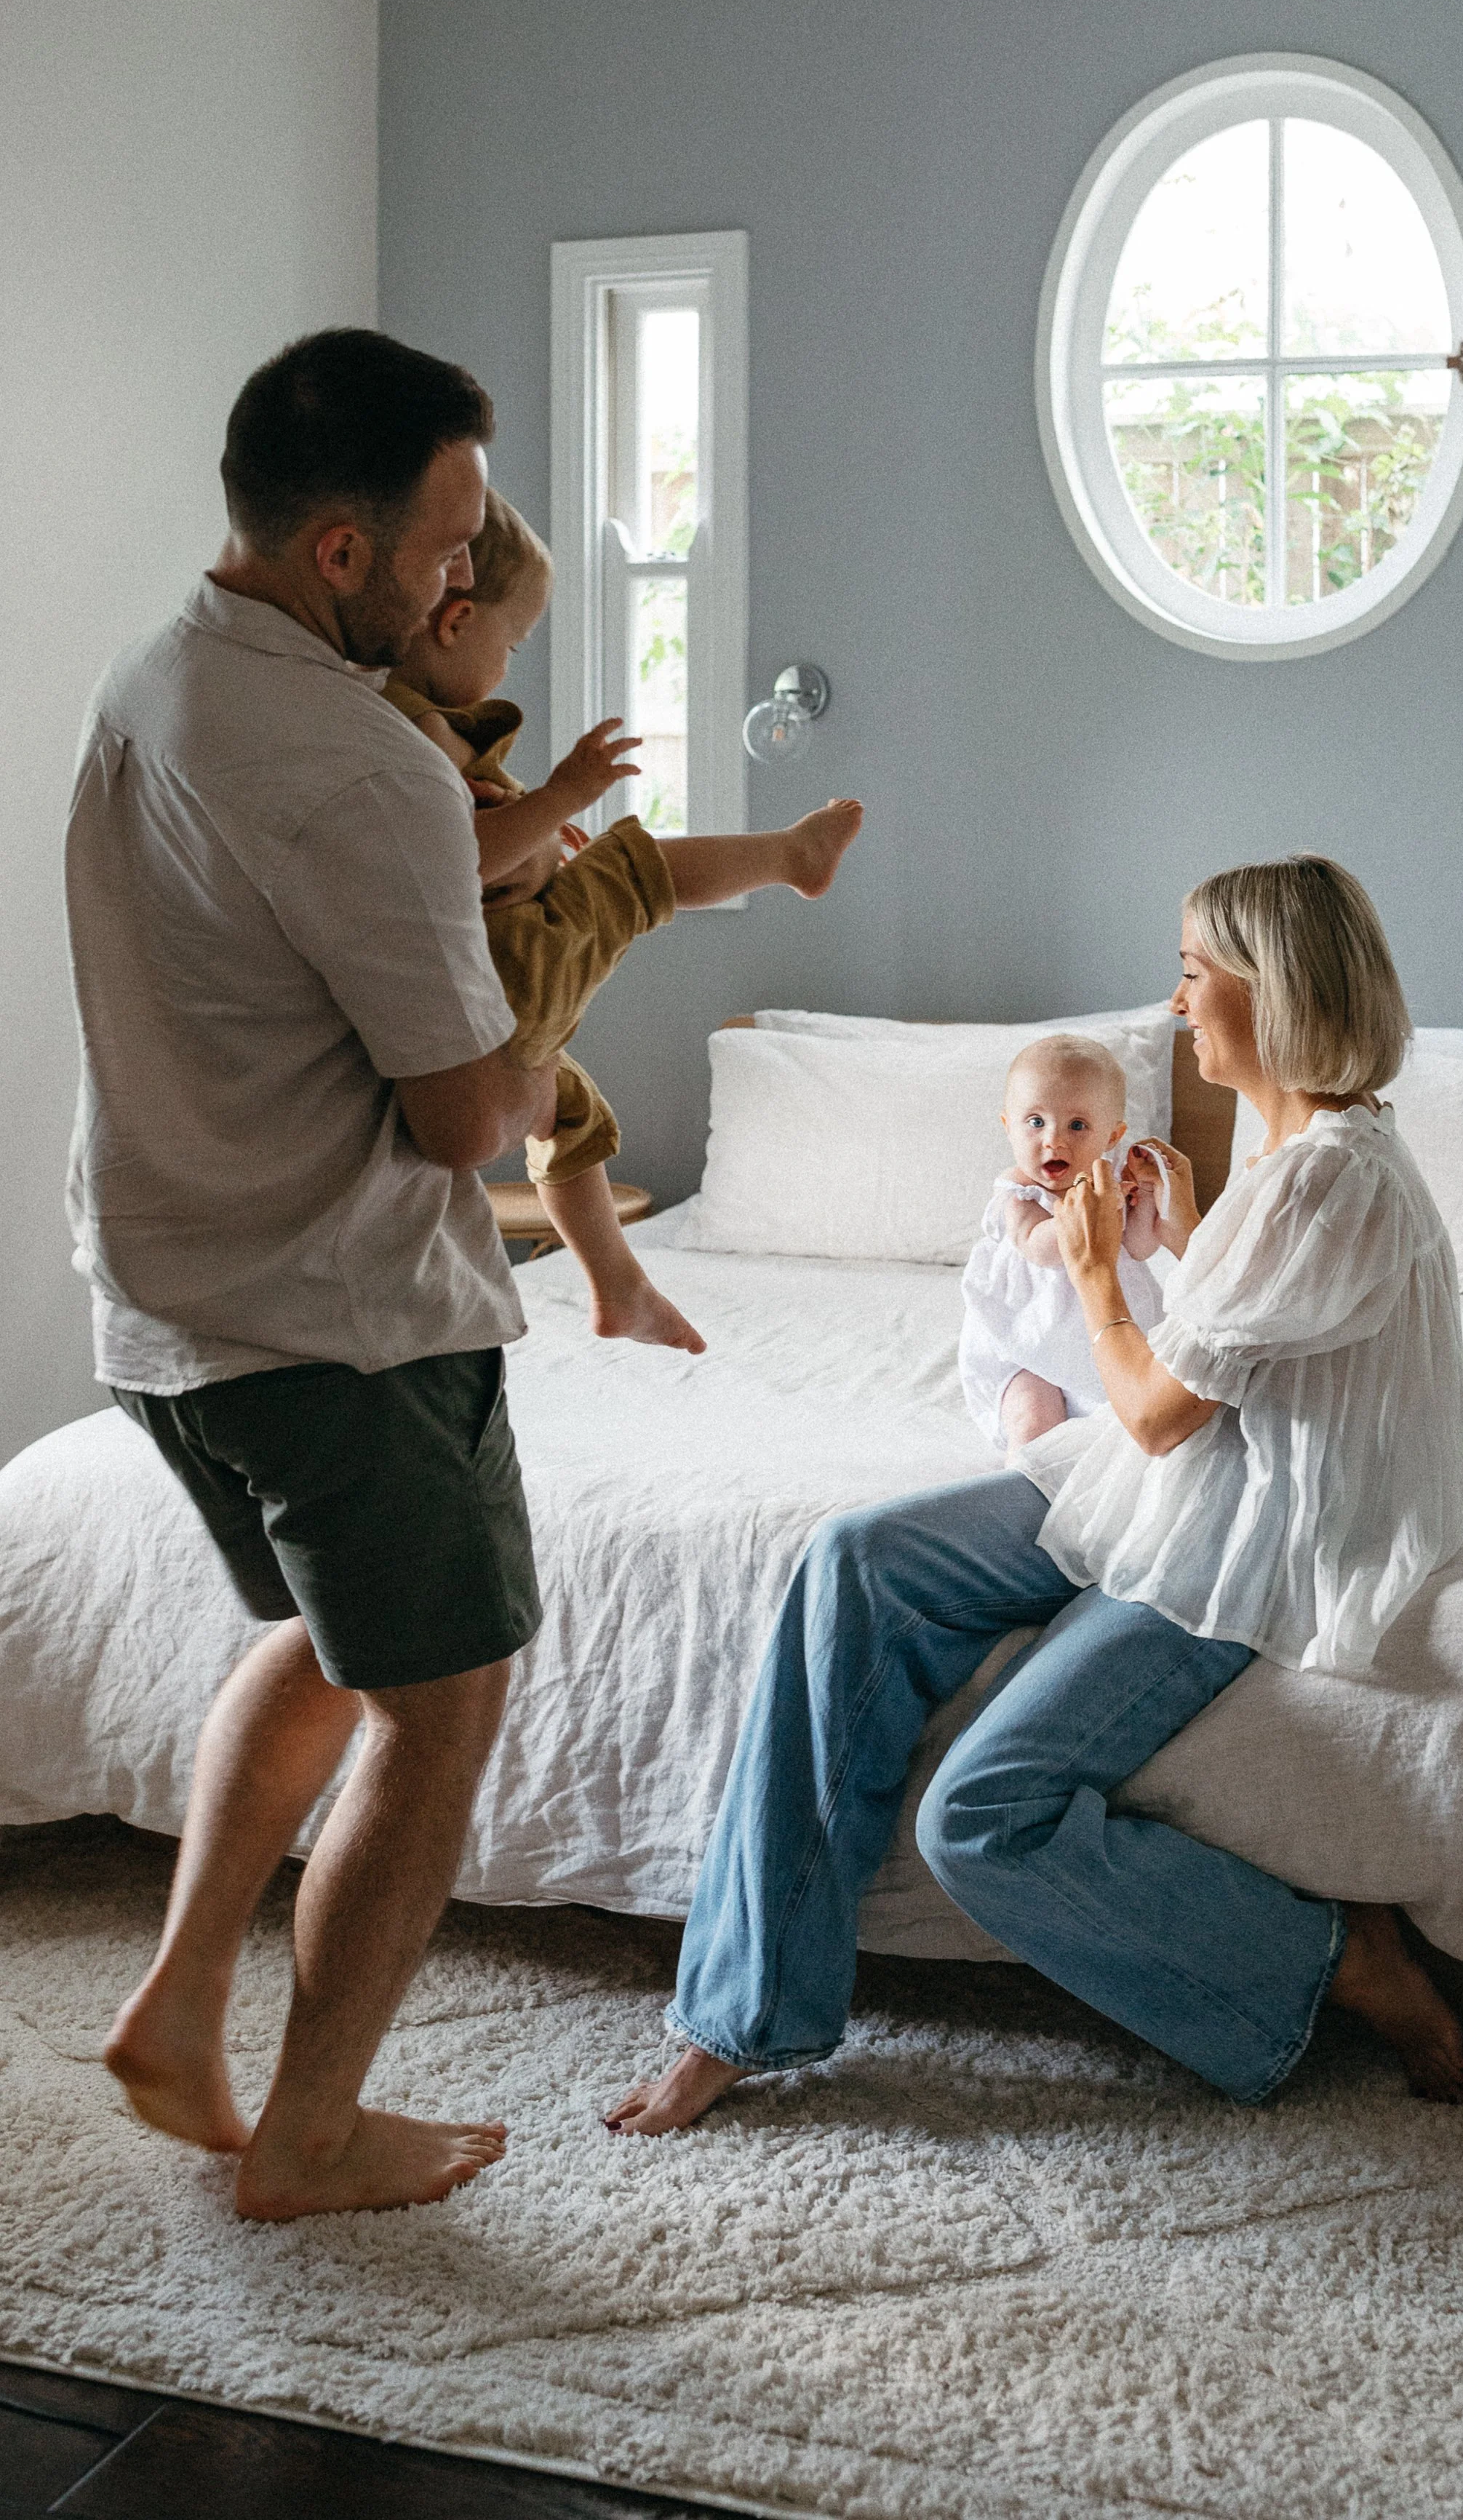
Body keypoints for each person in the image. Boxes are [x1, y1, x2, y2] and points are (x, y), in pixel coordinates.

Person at [607, 855, 1463, 2140]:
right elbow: (1257, 1337)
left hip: (1257, 1528)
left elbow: (1161, 1404)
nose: (1177, 1004)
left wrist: (1097, 1282)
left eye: (1194, 973)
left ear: (1271, 988)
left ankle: (1336, 1956)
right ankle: (743, 2011)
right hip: (1171, 1479)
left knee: (980, 1818)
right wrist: (1183, 1240)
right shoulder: (1287, 1136)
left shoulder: (1335, 1171)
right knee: (854, 1560)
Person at [68, 328, 559, 2221]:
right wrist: (536, 1033)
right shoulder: (365, 768)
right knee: (437, 1696)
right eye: (446, 542)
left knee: (319, 1638)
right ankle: (313, 2127)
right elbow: (461, 1126)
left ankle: (185, 2001)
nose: (467, 573)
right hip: (342, 1327)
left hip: (169, 1311)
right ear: (340, 551)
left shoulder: (154, 678)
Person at [382, 487, 863, 1350]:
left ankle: (617, 1285)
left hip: (483, 992)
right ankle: (790, 856)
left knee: (571, 1111)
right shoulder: (414, 729)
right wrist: (562, 796)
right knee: (637, 874)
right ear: (453, 622)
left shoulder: (414, 724)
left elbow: (474, 844)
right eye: (513, 643)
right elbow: (457, 861)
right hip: (504, 971)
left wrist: (538, 833)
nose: (507, 665)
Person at [957, 1033, 1166, 1451]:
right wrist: (1090, 1213)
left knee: (1120, 1432)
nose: (1054, 1139)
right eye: (1036, 1122)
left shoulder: (1108, 1186)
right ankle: (1027, 1487)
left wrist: (1144, 1203)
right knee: (1035, 1423)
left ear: (1111, 1136)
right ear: (1008, 1126)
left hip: (1103, 1341)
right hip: (1027, 1340)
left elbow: (1139, 1248)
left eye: (1077, 1125)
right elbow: (1037, 1245)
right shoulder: (1017, 1190)